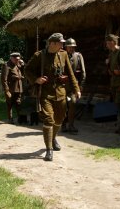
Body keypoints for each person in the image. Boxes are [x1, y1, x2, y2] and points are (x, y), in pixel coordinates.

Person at [24, 33, 81, 161]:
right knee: (49, 119)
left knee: (60, 119)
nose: (63, 45)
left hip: (60, 92)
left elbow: (71, 74)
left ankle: (53, 137)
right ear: (52, 43)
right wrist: (36, 79)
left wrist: (76, 89)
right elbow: (27, 70)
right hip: (45, 93)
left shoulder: (64, 54)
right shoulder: (39, 55)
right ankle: (49, 149)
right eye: (60, 43)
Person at [62, 38, 86, 134]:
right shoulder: (60, 56)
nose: (71, 48)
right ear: (66, 47)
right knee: (63, 106)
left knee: (73, 103)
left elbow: (83, 72)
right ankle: (63, 125)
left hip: (73, 85)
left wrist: (81, 85)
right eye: (70, 47)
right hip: (62, 85)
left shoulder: (78, 56)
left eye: (73, 47)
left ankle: (71, 125)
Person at [1, 52, 25, 124]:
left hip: (19, 87)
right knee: (10, 104)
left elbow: (24, 71)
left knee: (18, 103)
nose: (17, 60)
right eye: (16, 59)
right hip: (11, 88)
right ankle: (10, 118)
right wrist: (6, 90)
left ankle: (20, 118)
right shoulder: (7, 65)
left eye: (18, 59)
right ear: (11, 58)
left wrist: (23, 64)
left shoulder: (18, 65)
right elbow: (3, 79)